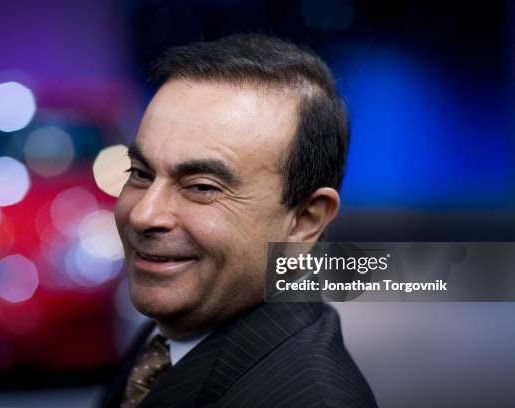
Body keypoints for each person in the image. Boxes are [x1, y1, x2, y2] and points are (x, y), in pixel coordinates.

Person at [101, 34, 377, 407]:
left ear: (305, 220)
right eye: (140, 172)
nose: (143, 214)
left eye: (201, 187)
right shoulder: (168, 339)